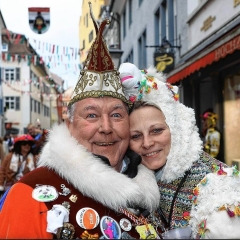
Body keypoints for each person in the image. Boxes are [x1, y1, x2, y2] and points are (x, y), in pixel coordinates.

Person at [0, 5, 160, 239]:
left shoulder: (153, 184)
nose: (106, 128)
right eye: (92, 115)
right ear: (70, 125)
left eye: (116, 114)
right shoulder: (30, 194)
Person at [119, 62, 240, 239]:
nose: (147, 143)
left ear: (176, 129)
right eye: (136, 136)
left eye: (157, 131)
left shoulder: (214, 185)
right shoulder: (137, 178)